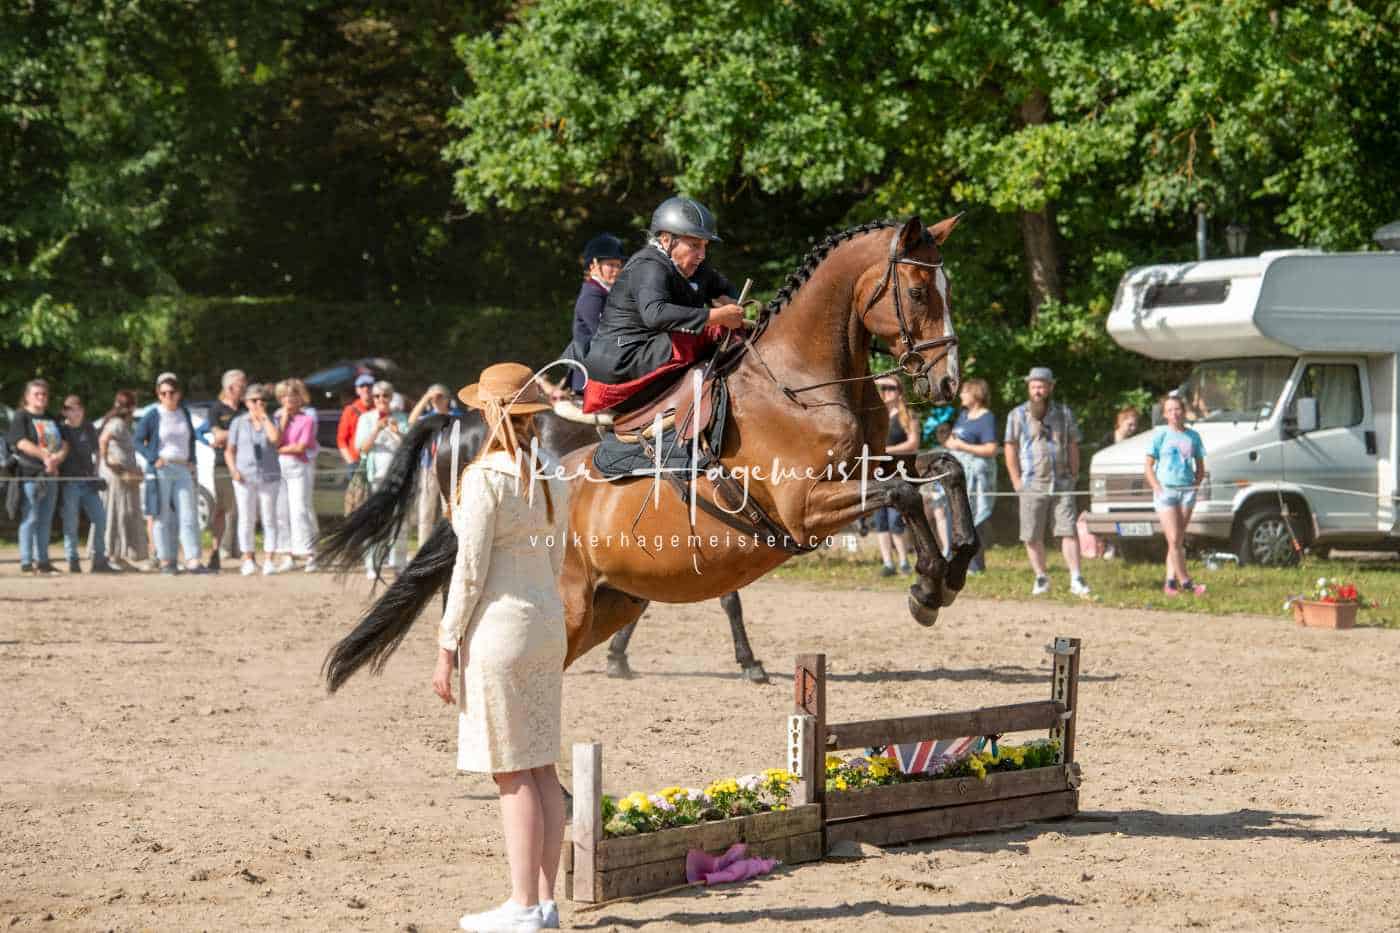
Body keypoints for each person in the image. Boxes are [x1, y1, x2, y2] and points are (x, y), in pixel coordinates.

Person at [430, 362, 568, 933]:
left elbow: (469, 572)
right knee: (541, 764)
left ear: (490, 413)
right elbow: (558, 559)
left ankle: (523, 904)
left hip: (500, 629)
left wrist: (446, 644)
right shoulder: (552, 471)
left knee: (511, 771)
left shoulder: (484, 477)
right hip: (546, 622)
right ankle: (545, 901)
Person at [579, 196, 746, 414]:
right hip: (620, 364)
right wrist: (717, 316)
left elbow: (725, 289)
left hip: (651, 351)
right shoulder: (649, 265)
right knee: (710, 332)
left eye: (705, 246)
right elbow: (655, 314)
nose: (702, 255)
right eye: (695, 245)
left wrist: (731, 302)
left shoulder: (695, 266)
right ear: (666, 240)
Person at [1004, 367, 1090, 597]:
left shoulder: (1064, 413)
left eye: (1041, 386)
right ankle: (1041, 578)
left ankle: (1076, 578)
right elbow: (1010, 447)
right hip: (1031, 483)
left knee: (1068, 530)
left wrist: (1074, 474)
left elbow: (1073, 444)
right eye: (1034, 386)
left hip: (1062, 482)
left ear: (1051, 387)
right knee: (1031, 534)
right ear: (1028, 388)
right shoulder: (1016, 415)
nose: (1037, 391)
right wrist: (1016, 481)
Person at [134, 372, 207, 574]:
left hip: (182, 468)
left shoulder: (184, 413)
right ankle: (166, 560)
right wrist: (153, 458)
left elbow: (191, 439)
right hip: (162, 468)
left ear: (178, 393)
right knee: (162, 515)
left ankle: (193, 560)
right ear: (158, 395)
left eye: (171, 392)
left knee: (188, 513)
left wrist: (192, 460)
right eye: (163, 393)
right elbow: (137, 440)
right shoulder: (153, 415)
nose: (168, 396)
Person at [1146, 394, 1207, 596]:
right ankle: (1186, 581)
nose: (1174, 413)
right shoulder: (1160, 435)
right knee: (1173, 538)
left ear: (1184, 411)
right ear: (1165, 414)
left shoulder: (1193, 436)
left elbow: (1200, 466)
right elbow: (1148, 466)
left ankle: (1170, 582)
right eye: (1170, 410)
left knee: (1177, 540)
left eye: (1177, 409)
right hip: (1167, 491)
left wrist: (1195, 485)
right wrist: (1156, 486)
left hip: (1187, 491)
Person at [556, 233, 626, 398]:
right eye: (611, 265)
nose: (616, 270)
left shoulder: (608, 293)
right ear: (593, 264)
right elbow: (604, 334)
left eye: (618, 265)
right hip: (591, 378)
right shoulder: (592, 294)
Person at [8, 379, 65, 574]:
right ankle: (26, 561)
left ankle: (43, 561)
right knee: (30, 517)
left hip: (51, 474)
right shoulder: (21, 416)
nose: (41, 397)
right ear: (27, 397)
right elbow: (20, 442)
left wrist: (57, 458)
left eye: (44, 394)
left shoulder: (51, 418)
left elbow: (64, 442)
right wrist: (45, 457)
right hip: (31, 475)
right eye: (36, 394)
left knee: (46, 519)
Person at [355, 380, 411, 578]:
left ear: (391, 397)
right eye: (377, 396)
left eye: (385, 395)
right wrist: (377, 429)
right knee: (376, 521)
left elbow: (409, 447)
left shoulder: (401, 418)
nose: (381, 399)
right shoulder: (366, 418)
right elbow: (362, 448)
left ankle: (399, 563)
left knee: (399, 521)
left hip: (399, 477)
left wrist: (397, 432)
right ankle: (372, 563)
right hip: (376, 478)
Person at [225, 384, 283, 576]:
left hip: (269, 475)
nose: (259, 403)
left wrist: (264, 418)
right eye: (254, 400)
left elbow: (275, 440)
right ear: (246, 402)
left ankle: (269, 559)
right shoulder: (238, 422)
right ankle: (248, 558)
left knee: (269, 517)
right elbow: (229, 450)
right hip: (244, 476)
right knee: (247, 518)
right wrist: (233, 470)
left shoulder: (272, 420)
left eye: (262, 400)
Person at [943, 377, 998, 573]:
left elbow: (991, 449)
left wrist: (962, 446)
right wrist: (950, 444)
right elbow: (952, 440)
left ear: (976, 394)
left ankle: (975, 564)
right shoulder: (963, 415)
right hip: (958, 475)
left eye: (965, 391)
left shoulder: (987, 417)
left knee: (974, 520)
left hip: (976, 477)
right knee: (954, 516)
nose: (961, 395)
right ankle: (954, 561)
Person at [58, 395, 116, 573]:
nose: (76, 413)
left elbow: (97, 451)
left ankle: (99, 559)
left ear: (82, 411)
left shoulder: (88, 427)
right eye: (71, 409)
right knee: (71, 522)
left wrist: (95, 472)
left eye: (78, 409)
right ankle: (72, 559)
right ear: (64, 412)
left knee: (100, 518)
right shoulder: (61, 430)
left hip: (88, 481)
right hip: (69, 482)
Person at [197, 369, 246, 572]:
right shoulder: (216, 409)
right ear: (230, 387)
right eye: (242, 384)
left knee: (245, 510)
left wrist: (229, 434)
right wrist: (243, 432)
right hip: (222, 466)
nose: (245, 388)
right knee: (221, 510)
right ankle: (216, 551)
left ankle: (245, 553)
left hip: (247, 464)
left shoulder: (246, 407)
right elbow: (217, 435)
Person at [97, 390, 149, 570]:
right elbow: (103, 440)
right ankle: (111, 555)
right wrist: (109, 462)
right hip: (116, 476)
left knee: (124, 514)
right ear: (132, 406)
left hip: (124, 475)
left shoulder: (123, 424)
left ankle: (118, 555)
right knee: (116, 513)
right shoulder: (116, 423)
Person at [271, 378, 318, 573]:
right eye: (284, 396)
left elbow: (301, 446)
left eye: (292, 396)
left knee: (300, 509)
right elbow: (274, 441)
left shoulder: (307, 419)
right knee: (281, 512)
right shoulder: (277, 417)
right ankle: (287, 553)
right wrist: (282, 422)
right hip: (279, 468)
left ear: (300, 398)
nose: (289, 400)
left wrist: (279, 449)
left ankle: (309, 553)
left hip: (299, 466)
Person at [873, 376, 918, 576]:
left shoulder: (907, 416)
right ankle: (888, 563)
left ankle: (904, 561)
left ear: (900, 391)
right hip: (878, 474)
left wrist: (887, 450)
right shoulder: (877, 417)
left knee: (896, 521)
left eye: (890, 388)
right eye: (882, 388)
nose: (885, 391)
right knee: (881, 521)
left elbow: (913, 444)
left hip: (900, 474)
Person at [407, 384, 453, 547]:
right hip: (428, 468)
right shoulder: (428, 418)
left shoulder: (455, 418)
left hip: (449, 470)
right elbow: (411, 421)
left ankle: (448, 548)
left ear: (448, 399)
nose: (437, 400)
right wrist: (426, 397)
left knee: (450, 511)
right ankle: (423, 547)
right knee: (425, 511)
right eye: (434, 398)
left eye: (440, 397)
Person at [337, 372, 374, 469]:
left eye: (369, 386)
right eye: (362, 386)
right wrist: (351, 462)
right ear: (357, 390)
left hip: (376, 461)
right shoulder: (350, 410)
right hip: (356, 461)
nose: (366, 389)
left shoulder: (380, 408)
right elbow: (341, 440)